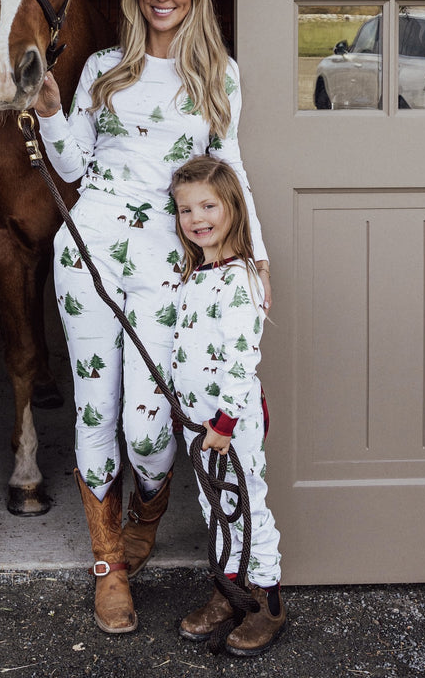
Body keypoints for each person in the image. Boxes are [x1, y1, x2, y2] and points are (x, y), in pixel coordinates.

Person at [32, 0, 271, 634]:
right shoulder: (106, 66)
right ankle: (108, 565)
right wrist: (49, 110)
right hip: (90, 252)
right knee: (94, 411)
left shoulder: (219, 72)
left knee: (146, 422)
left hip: (168, 266)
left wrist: (255, 255)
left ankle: (148, 511)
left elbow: (231, 169)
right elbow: (72, 165)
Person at [169, 154, 285, 656]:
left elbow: (241, 362)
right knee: (217, 507)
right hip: (202, 425)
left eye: (208, 206)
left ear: (233, 208)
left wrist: (224, 422)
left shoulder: (239, 281)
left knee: (247, 504)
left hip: (228, 425)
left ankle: (268, 602)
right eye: (185, 210)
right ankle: (228, 589)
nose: (196, 219)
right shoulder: (199, 275)